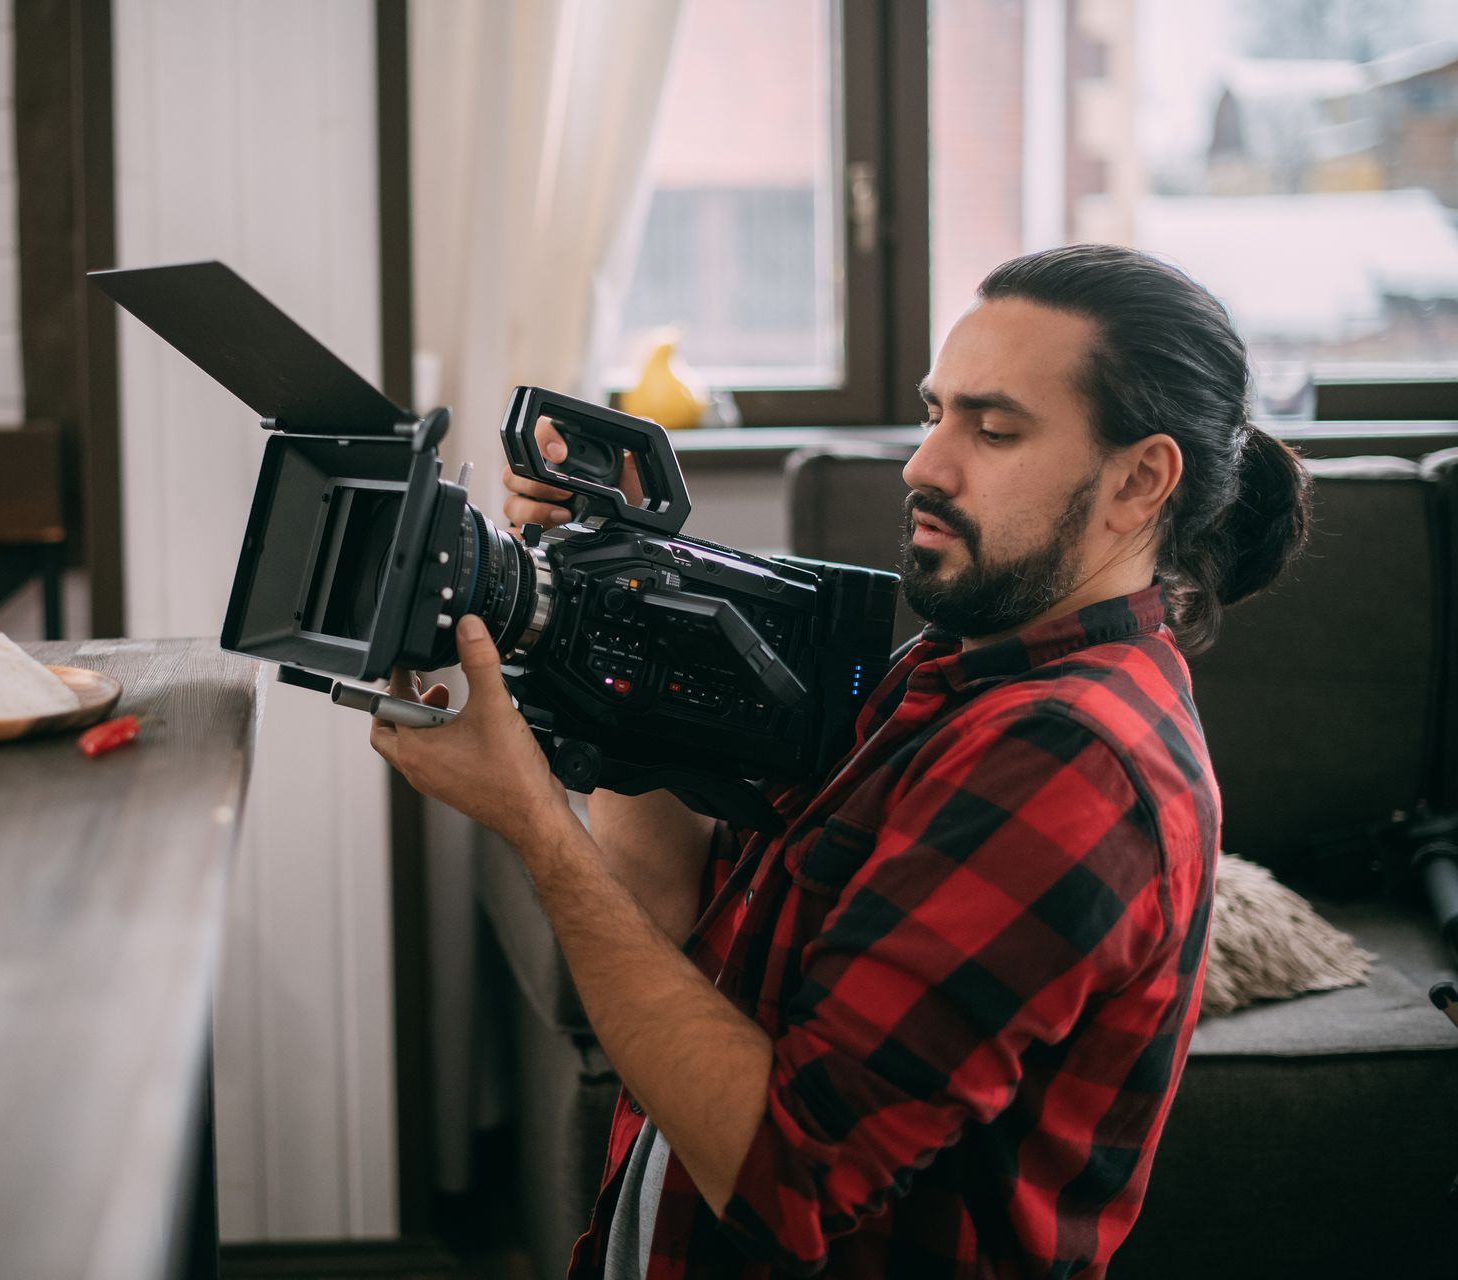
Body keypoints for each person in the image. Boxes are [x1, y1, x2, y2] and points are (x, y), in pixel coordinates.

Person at [369, 244, 1312, 1279]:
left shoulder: (1072, 758)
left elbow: (788, 1179)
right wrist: (595, 619)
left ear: (1140, 480)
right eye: (933, 412)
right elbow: (688, 932)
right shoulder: (956, 665)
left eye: (992, 429)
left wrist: (536, 825)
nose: (925, 465)